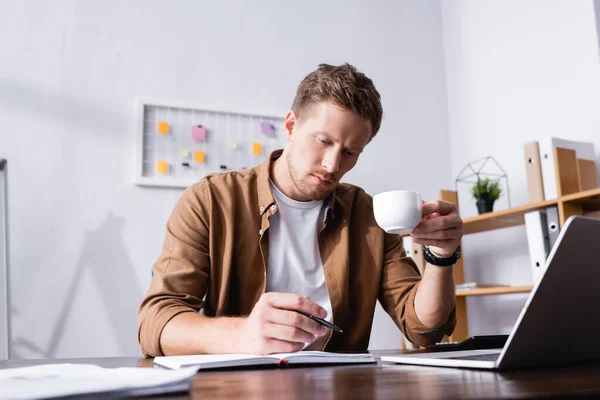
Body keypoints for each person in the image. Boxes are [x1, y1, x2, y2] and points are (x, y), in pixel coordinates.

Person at [138, 63, 462, 357]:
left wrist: (441, 255)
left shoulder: (367, 215)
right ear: (291, 126)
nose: (333, 165)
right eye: (323, 141)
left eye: (350, 152)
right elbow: (156, 322)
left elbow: (425, 330)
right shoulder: (210, 201)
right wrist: (242, 334)